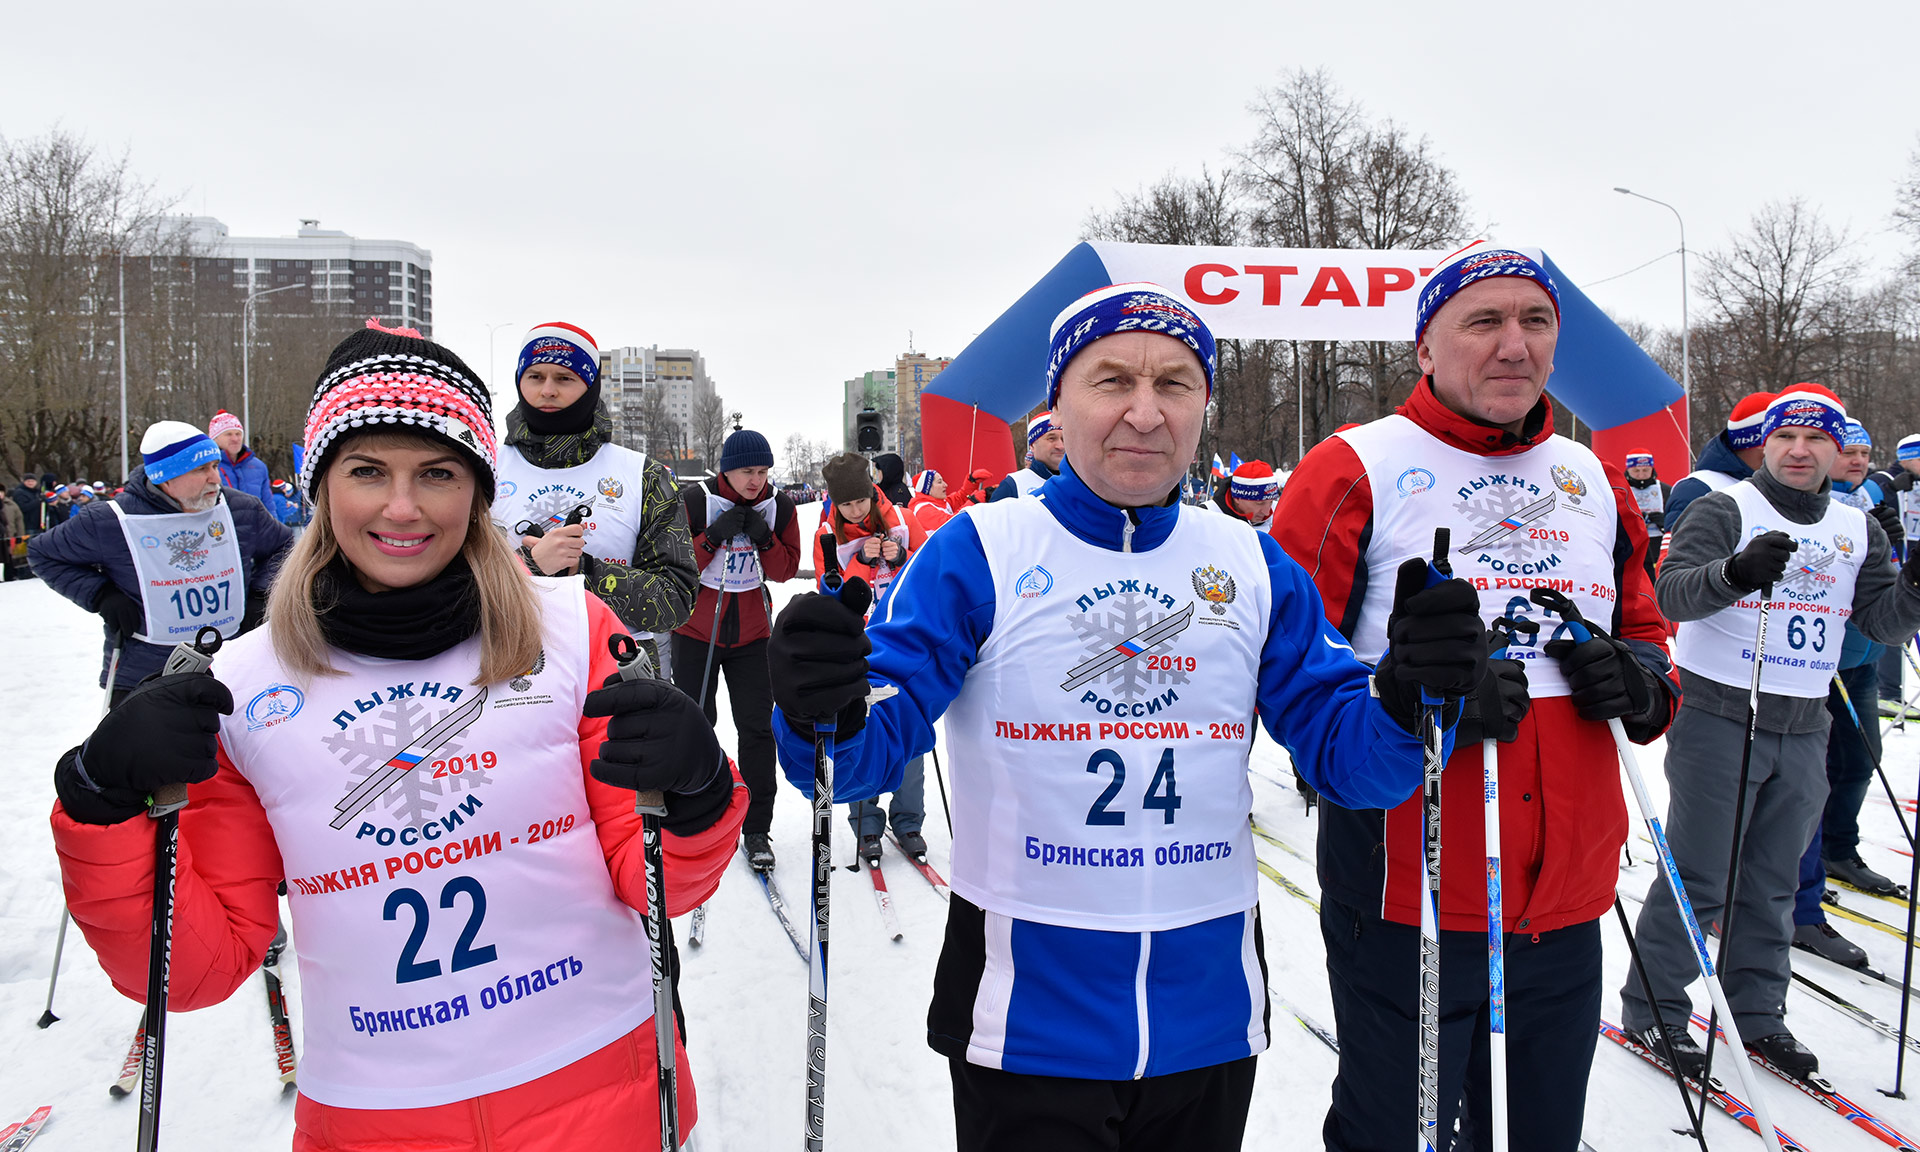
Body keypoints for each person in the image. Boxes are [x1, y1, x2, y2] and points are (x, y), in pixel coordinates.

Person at [767, 282, 1488, 1152]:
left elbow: (1353, 760)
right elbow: (856, 759)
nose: (1145, 414)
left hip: (1206, 1016)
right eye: (1112, 380)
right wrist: (822, 703)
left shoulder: (1251, 563)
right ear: (1057, 404)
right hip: (1027, 1018)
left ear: (1202, 407)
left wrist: (1408, 698)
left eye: (1175, 384)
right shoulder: (982, 549)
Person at [47, 323, 745, 1151]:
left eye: (438, 474)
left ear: (477, 491)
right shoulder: (245, 685)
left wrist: (697, 790)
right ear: (321, 486)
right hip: (378, 1117)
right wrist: (102, 804)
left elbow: (656, 881)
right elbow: (191, 971)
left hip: (604, 1088)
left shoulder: (570, 627)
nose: (403, 507)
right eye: (367, 471)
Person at [1276, 244, 1677, 1151]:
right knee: (1393, 1135)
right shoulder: (1354, 467)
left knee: (1537, 1136)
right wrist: (1418, 702)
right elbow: (1288, 675)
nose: (1514, 344)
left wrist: (1638, 684)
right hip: (1410, 897)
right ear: (1426, 346)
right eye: (1483, 321)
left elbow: (1650, 636)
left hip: (1565, 902)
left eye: (1535, 322)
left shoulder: (1591, 477)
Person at [1622, 385, 1920, 1080]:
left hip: (1805, 718)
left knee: (1773, 880)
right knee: (1701, 873)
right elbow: (1670, 594)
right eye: (1786, 436)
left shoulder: (1856, 527)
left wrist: (1913, 590)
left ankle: (1756, 1012)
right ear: (1766, 443)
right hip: (1721, 712)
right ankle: (1656, 1006)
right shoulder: (1726, 507)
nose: (1799, 450)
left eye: (1817, 439)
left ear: (1837, 450)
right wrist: (1733, 573)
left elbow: (1880, 624)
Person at [30, 421, 293, 703]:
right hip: (146, 668)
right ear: (166, 478)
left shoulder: (241, 508)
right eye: (200, 469)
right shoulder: (110, 520)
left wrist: (260, 594)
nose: (215, 478)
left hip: (232, 660)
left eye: (215, 466)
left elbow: (283, 546)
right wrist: (101, 594)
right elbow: (44, 554)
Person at [490, 322, 699, 668]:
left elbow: (676, 600)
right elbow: (450, 589)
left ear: (590, 386)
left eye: (564, 378)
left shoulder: (644, 476)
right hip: (513, 671)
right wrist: (529, 566)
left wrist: (584, 570)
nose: (548, 391)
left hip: (618, 675)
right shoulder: (483, 470)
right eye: (535, 376)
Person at [673, 427, 802, 872]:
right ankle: (699, 810)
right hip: (696, 632)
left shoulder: (779, 505)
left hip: (753, 636)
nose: (756, 480)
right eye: (747, 471)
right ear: (726, 470)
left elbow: (785, 570)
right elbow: (677, 563)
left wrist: (763, 537)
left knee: (757, 730)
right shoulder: (696, 501)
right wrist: (713, 536)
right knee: (697, 725)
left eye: (763, 471)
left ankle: (757, 827)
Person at [812, 451, 929, 865]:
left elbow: (929, 571)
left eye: (860, 500)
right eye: (845, 503)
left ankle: (909, 821)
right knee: (861, 732)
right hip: (856, 646)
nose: (855, 510)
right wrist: (861, 563)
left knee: (910, 729)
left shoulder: (902, 519)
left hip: (904, 640)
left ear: (871, 491)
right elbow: (831, 597)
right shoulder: (828, 535)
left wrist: (902, 557)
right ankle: (865, 823)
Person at [1664, 390, 1773, 533]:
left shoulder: (1786, 485)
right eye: (1785, 437)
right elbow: (1680, 546)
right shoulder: (1698, 489)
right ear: (1761, 443)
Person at [989, 409, 1064, 500]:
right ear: (1032, 445)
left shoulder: (1077, 481)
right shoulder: (1014, 484)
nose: (1060, 446)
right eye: (1051, 438)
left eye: (1063, 439)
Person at [210, 409, 276, 508]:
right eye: (228, 434)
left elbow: (268, 505)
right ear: (215, 438)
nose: (235, 439)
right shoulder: (207, 467)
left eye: (238, 434)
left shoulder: (259, 467)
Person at [1208, 459, 1280, 531]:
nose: (1267, 512)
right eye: (1260, 503)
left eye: (1271, 502)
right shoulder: (1209, 514)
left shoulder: (1279, 512)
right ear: (1237, 498)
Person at [907, 469, 957, 534]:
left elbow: (961, 496)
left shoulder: (940, 502)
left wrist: (970, 481)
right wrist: (970, 503)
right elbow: (953, 524)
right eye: (939, 482)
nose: (945, 485)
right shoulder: (924, 510)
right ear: (928, 489)